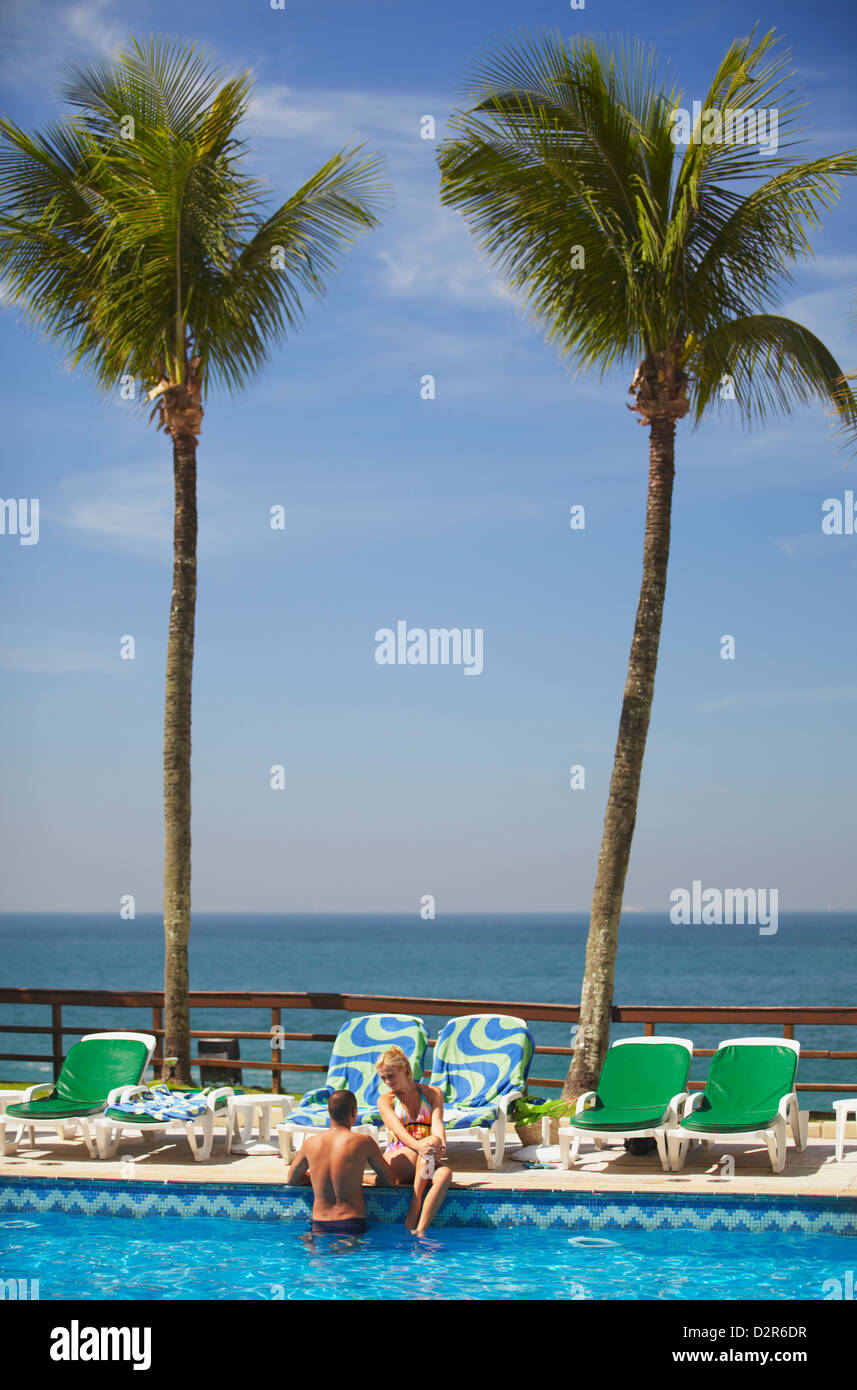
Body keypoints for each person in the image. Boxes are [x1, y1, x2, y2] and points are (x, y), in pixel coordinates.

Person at [286, 1088, 392, 1236]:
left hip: (319, 1225)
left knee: (315, 1254)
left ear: (329, 1113)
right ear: (354, 1112)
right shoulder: (364, 1142)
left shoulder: (311, 1143)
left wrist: (317, 1177)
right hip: (352, 1223)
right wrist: (363, 1178)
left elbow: (292, 1180)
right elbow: (389, 1180)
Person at [376, 1045, 452, 1234]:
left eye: (390, 1076)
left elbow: (437, 1123)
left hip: (426, 1158)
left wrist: (440, 1144)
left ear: (403, 1068)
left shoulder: (432, 1093)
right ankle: (414, 1207)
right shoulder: (386, 1100)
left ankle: (420, 1230)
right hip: (399, 1157)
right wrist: (422, 1146)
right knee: (431, 1142)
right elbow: (399, 1132)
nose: (387, 1082)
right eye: (383, 1078)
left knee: (445, 1174)